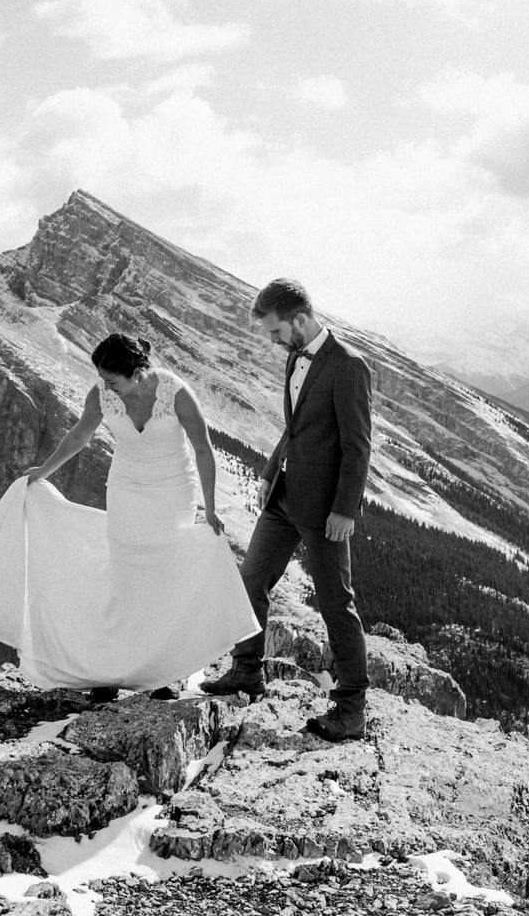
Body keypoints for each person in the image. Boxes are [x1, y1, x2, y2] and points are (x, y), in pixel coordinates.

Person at [0, 333, 259, 701]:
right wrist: (43, 472)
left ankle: (161, 673)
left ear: (137, 372)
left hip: (173, 492)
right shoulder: (101, 395)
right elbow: (79, 436)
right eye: (102, 379)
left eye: (112, 380)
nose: (106, 387)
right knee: (123, 578)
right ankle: (108, 669)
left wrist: (211, 508)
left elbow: (203, 449)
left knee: (161, 579)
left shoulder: (175, 392)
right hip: (126, 490)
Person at [200, 278, 374, 742]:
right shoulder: (297, 358)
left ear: (299, 320)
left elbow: (357, 447)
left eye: (276, 332)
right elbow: (296, 427)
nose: (273, 342)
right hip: (282, 496)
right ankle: (246, 671)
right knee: (251, 581)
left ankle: (351, 707)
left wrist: (346, 509)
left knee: (336, 603)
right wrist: (269, 470)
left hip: (324, 509)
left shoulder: (348, 366)